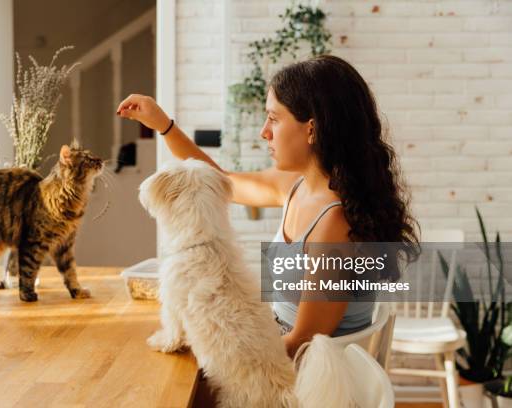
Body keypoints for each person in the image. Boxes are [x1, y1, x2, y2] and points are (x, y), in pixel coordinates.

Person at [116, 55, 418, 359]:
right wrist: (164, 125)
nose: (264, 132)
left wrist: (217, 349)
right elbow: (221, 180)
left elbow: (302, 344)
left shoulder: (335, 224)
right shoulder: (295, 186)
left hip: (301, 381)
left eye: (273, 118)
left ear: (312, 129)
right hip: (278, 353)